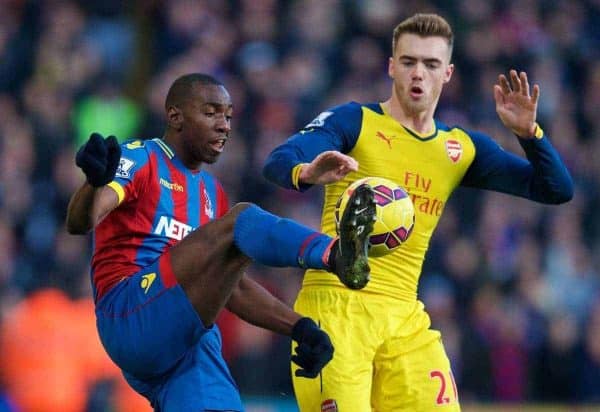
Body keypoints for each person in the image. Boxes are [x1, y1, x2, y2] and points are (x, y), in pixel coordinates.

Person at [263, 13, 574, 412]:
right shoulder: (355, 122)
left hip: (404, 316)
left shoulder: (459, 149)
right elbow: (278, 160)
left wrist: (530, 134)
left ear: (447, 73)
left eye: (430, 64)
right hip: (336, 305)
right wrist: (306, 172)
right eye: (408, 61)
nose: (418, 73)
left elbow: (556, 189)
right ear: (392, 66)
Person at [66, 73, 377, 411]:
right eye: (211, 112)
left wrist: (300, 328)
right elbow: (82, 221)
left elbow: (235, 288)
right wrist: (93, 184)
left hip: (184, 343)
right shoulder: (141, 159)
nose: (224, 125)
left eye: (228, 116)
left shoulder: (212, 194)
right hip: (130, 313)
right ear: (175, 116)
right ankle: (334, 254)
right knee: (243, 220)